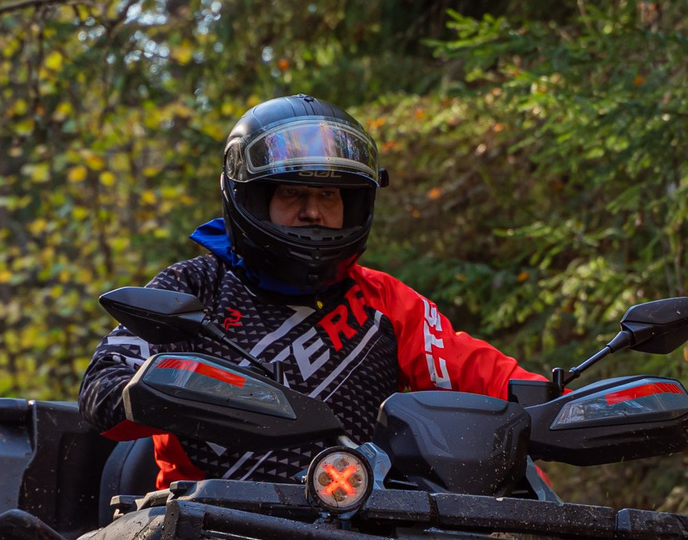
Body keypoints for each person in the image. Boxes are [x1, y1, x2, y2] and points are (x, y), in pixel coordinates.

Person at [79, 94, 536, 487]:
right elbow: (104, 386)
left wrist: (557, 408)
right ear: (253, 198)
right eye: (293, 194)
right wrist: (176, 391)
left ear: (354, 203)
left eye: (329, 196)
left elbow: (485, 376)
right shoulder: (195, 288)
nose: (313, 212)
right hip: (206, 523)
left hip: (365, 526)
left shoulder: (384, 300)